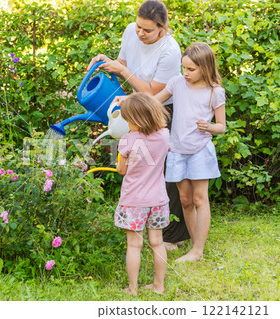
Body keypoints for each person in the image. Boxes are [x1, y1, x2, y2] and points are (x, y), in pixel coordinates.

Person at [88, 0, 190, 248]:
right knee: (139, 165)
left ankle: (172, 236)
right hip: (135, 104)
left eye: (147, 30)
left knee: (164, 169)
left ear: (162, 28)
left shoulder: (170, 50)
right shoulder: (130, 31)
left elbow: (154, 93)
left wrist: (123, 73)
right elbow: (123, 65)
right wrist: (107, 61)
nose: (140, 33)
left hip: (161, 108)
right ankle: (142, 223)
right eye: (138, 27)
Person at [155, 42, 226, 262]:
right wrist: (129, 100)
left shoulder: (215, 92)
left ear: (205, 67)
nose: (185, 73)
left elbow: (222, 127)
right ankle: (195, 248)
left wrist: (209, 127)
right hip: (176, 150)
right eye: (183, 67)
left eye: (191, 69)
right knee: (185, 200)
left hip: (200, 150)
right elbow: (154, 100)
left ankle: (197, 251)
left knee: (199, 198)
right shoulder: (177, 83)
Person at [116, 92, 170, 295]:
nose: (127, 124)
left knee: (134, 244)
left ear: (137, 120)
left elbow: (122, 170)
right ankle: (159, 285)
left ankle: (133, 288)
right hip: (158, 201)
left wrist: (122, 161)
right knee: (157, 242)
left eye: (128, 120)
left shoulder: (127, 140)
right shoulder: (164, 135)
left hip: (133, 202)